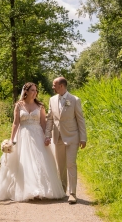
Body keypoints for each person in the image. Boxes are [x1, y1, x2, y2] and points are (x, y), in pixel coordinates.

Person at [0, 82, 65, 201]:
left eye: (36, 90)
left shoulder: (40, 106)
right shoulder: (18, 105)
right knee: (25, 162)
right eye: (32, 90)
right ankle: (29, 190)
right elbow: (15, 123)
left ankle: (41, 189)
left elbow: (43, 123)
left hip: (38, 135)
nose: (35, 92)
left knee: (39, 162)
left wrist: (47, 137)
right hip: (23, 135)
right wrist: (12, 140)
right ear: (26, 92)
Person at [44, 76, 87, 204]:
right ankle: (62, 190)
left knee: (70, 164)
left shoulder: (74, 100)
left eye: (54, 85)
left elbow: (80, 119)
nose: (52, 87)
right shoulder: (52, 100)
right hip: (58, 137)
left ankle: (72, 193)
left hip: (72, 136)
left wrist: (83, 138)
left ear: (61, 85)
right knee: (61, 165)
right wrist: (47, 135)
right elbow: (50, 118)